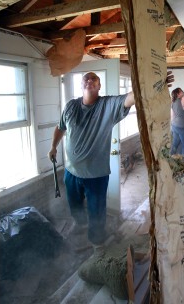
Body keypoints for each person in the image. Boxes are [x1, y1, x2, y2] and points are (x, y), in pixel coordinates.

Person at [49, 71, 174, 248]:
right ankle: (81, 225)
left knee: (97, 212)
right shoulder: (70, 106)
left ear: (99, 86)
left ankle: (97, 243)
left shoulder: (108, 105)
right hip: (71, 171)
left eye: (94, 79)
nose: (90, 80)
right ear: (81, 84)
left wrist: (155, 85)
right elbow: (60, 127)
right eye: (87, 78)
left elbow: (131, 98)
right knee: (74, 204)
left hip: (96, 175)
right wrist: (53, 146)